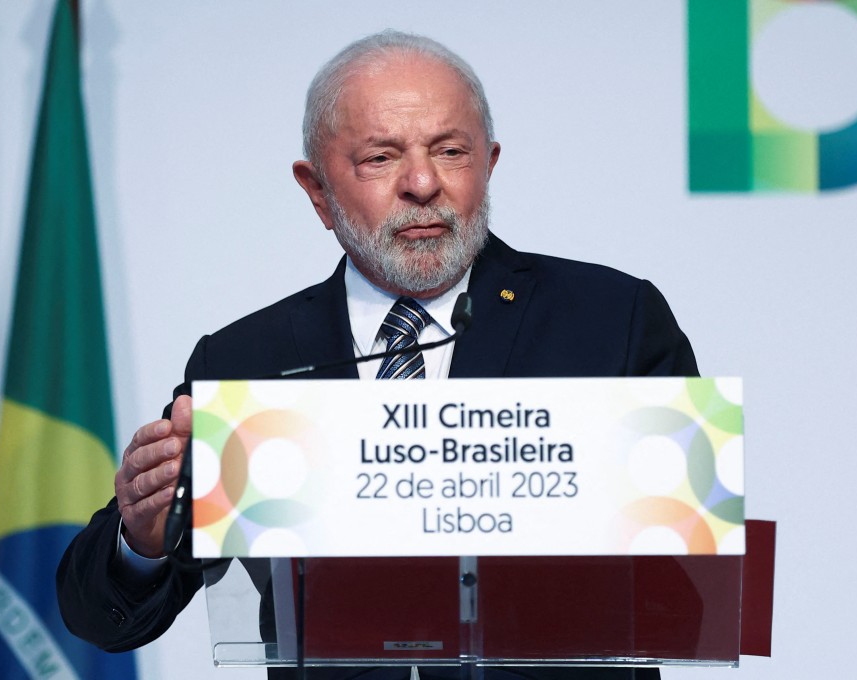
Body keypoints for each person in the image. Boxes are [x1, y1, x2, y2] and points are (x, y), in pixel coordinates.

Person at [57, 30, 697, 680]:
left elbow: (690, 585)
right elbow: (99, 616)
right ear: (316, 191)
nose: (423, 184)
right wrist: (140, 539)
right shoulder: (248, 360)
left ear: (490, 164)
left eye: (451, 151)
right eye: (381, 159)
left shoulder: (612, 321)